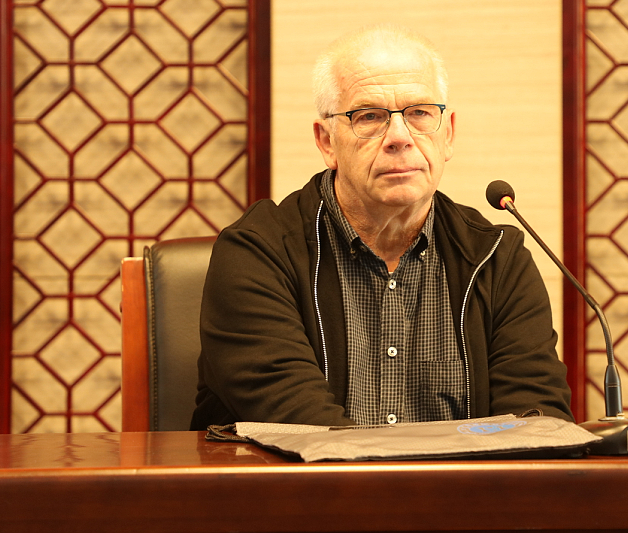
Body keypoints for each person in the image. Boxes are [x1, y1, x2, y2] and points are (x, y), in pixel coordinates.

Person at [191, 25, 573, 428]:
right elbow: (298, 425)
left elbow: (536, 420)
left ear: (448, 135)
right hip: (308, 473)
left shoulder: (496, 258)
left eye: (419, 113)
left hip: (460, 476)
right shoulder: (258, 252)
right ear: (327, 142)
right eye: (369, 117)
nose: (399, 137)